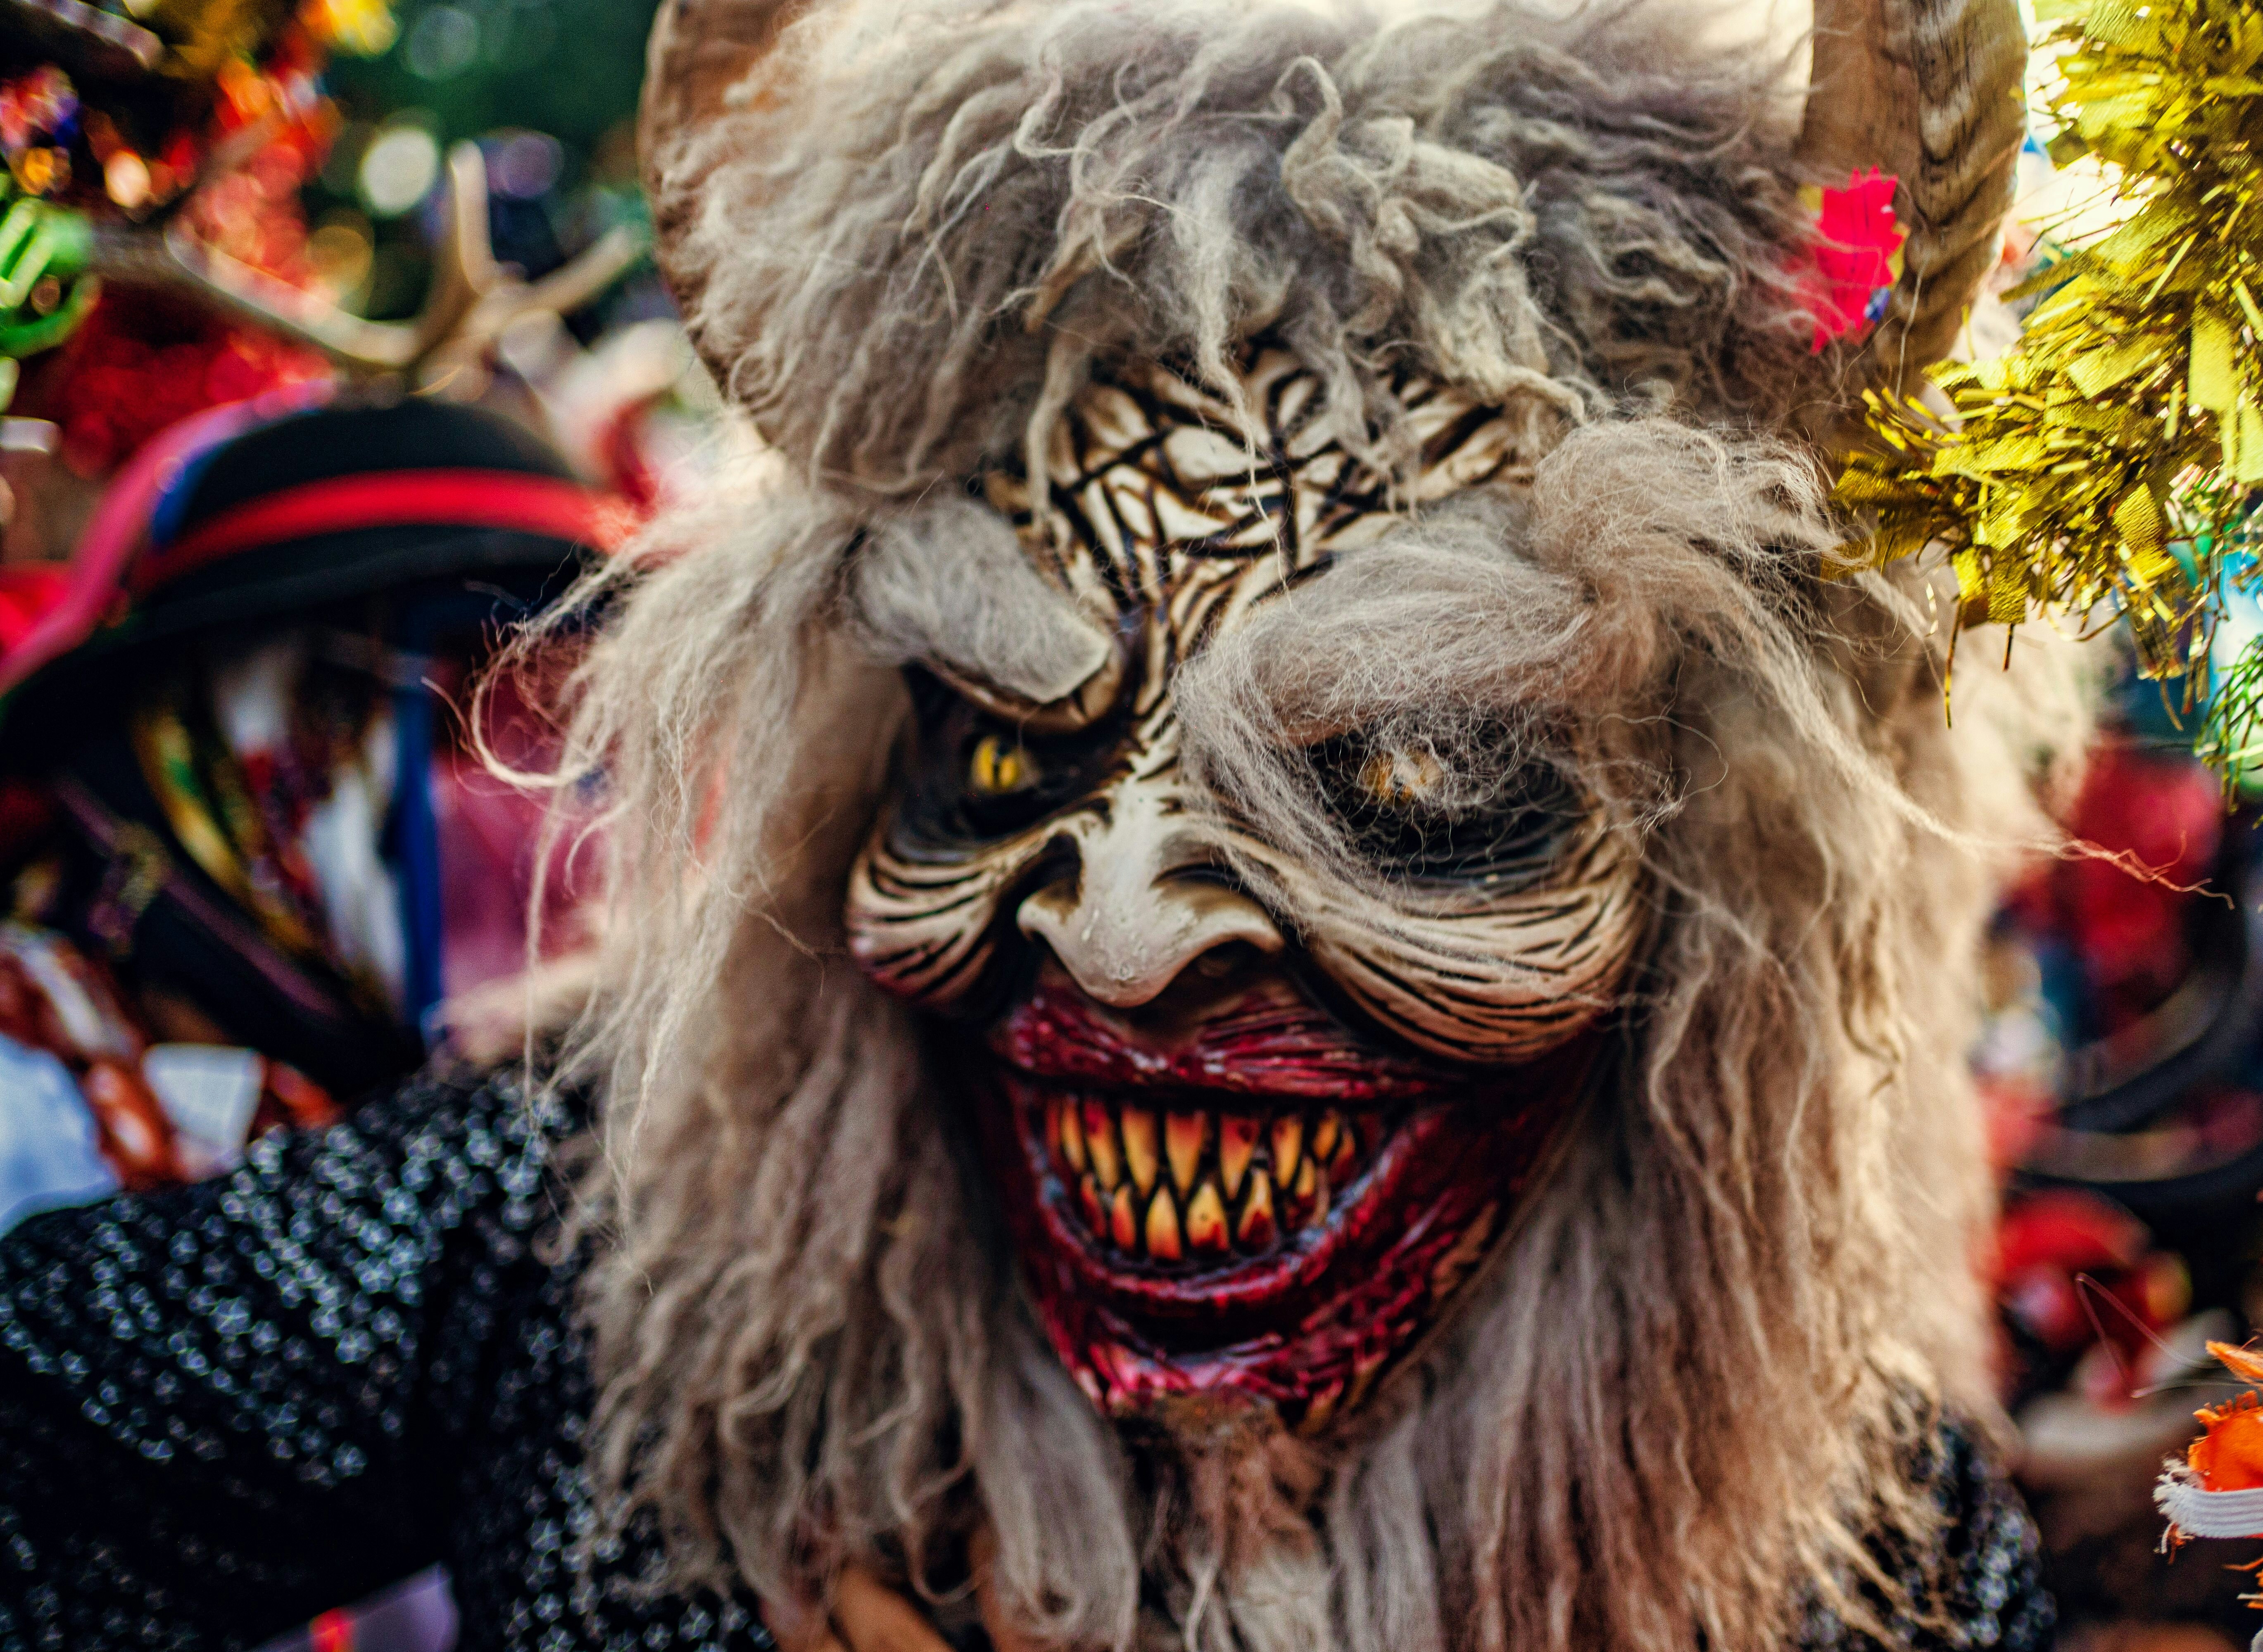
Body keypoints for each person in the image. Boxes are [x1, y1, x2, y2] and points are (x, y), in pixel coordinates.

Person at [0, 2, 2078, 1647]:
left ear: (1724, 864)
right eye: (1004, 732)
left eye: (1412, 778)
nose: (1116, 929)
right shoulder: (596, 1248)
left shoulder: (1847, 1556)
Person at [0, 389, 616, 1232]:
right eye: (456, 720)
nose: (543, 812)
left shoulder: (561, 1145)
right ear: (252, 735)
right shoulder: (29, 1120)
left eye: (582, 744)